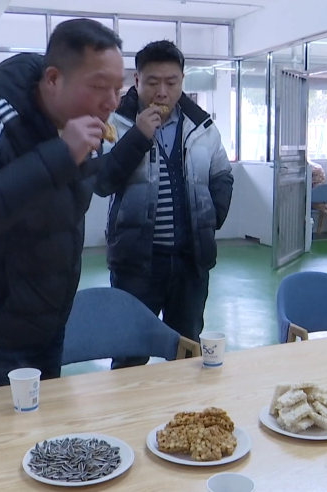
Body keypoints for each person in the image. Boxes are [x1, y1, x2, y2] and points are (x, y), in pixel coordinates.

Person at [0, 19, 125, 391]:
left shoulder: (83, 127)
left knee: (45, 423)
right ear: (53, 79)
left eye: (119, 88)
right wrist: (60, 155)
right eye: (100, 87)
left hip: (49, 319)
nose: (112, 102)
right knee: (2, 426)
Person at [94, 40, 234, 369]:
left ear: (182, 80)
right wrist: (138, 136)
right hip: (136, 264)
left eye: (171, 82)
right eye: (153, 82)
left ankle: (183, 404)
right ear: (136, 81)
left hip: (190, 261)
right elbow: (102, 182)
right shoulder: (115, 124)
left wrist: (209, 220)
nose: (162, 92)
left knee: (187, 350)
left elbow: (222, 175)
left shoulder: (202, 126)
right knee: (129, 352)